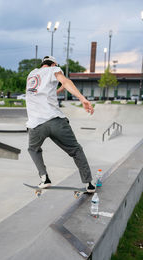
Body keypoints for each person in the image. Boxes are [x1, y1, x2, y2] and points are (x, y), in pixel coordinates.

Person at [25, 55, 96, 192]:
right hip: (56, 122)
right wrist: (82, 99)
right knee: (76, 150)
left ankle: (44, 178)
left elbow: (40, 94)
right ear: (53, 65)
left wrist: (59, 90)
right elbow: (66, 81)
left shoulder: (32, 74)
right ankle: (89, 183)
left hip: (36, 125)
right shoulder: (54, 70)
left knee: (33, 149)